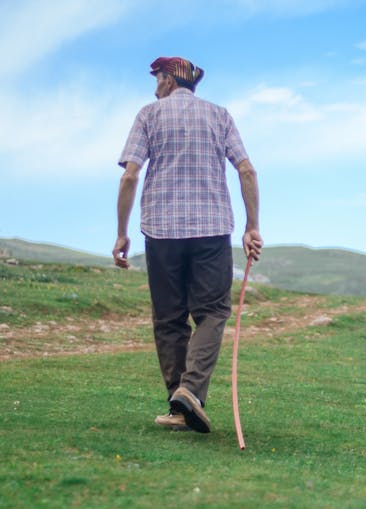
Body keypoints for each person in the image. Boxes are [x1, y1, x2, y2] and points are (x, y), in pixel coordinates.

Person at [113, 56, 262, 433]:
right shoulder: (220, 115)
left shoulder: (149, 114)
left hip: (161, 232)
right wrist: (252, 227)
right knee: (212, 312)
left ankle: (182, 402)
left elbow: (130, 176)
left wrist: (121, 232)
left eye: (157, 79)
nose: (154, 88)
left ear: (167, 81)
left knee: (169, 319)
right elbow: (246, 169)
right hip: (211, 231)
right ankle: (189, 394)